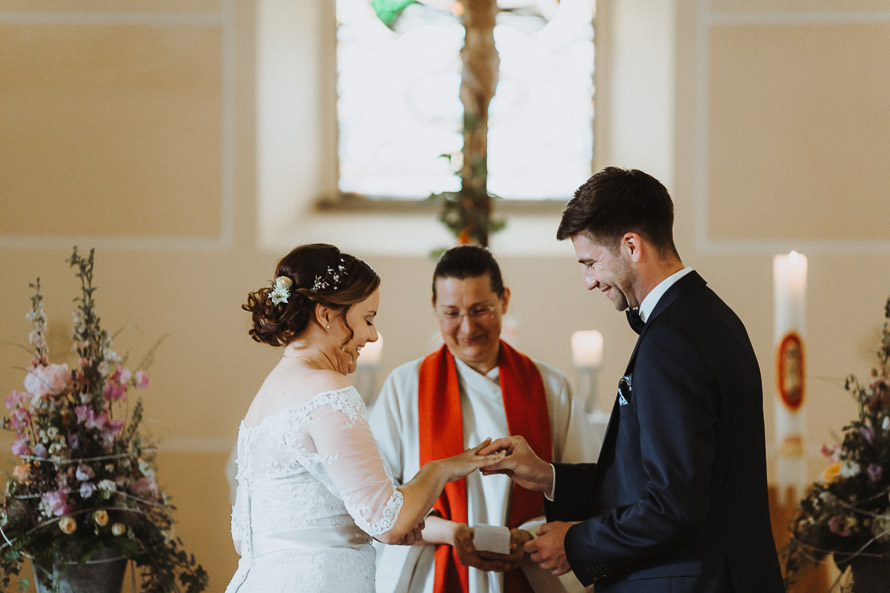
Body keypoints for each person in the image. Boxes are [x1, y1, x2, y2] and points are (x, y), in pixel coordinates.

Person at [480, 168, 785, 592]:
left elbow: (673, 506)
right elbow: (656, 481)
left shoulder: (673, 338)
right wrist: (549, 477)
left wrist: (576, 542)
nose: (588, 281)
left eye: (590, 263)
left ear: (631, 245)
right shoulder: (706, 317)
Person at [226, 243, 505, 593]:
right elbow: (388, 521)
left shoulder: (265, 398)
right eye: (368, 319)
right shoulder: (326, 389)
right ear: (326, 315)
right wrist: (441, 468)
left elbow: (245, 538)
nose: (372, 335)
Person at [369, 245, 599, 593]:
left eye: (480, 310)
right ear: (434, 307)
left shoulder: (549, 386)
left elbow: (589, 490)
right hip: (432, 573)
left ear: (504, 300)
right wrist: (451, 532)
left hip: (529, 569)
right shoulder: (405, 386)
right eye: (451, 313)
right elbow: (380, 502)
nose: (467, 328)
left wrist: (529, 536)